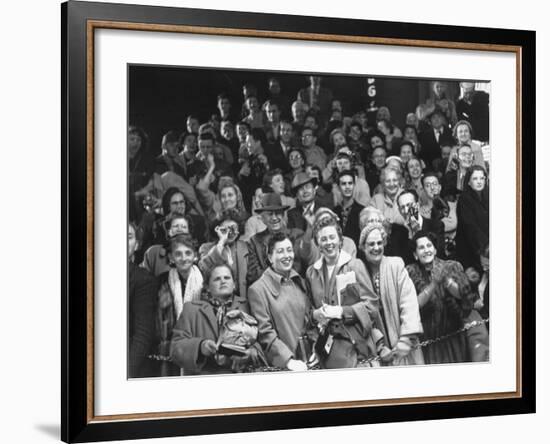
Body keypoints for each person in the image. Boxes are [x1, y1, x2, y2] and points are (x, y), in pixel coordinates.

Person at [306, 217, 387, 368]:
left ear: (340, 240)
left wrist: (341, 311)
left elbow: (372, 307)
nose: (329, 242)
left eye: (332, 237)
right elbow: (308, 313)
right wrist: (316, 315)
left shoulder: (355, 265)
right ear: (318, 244)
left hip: (357, 348)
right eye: (323, 239)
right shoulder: (312, 273)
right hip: (328, 351)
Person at [406, 231, 489, 364]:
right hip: (429, 338)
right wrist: (434, 284)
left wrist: (447, 281)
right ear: (415, 254)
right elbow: (413, 305)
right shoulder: (410, 272)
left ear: (434, 249)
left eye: (429, 246)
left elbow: (465, 298)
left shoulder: (452, 266)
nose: (426, 250)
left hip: (454, 333)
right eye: (421, 248)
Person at [170, 264, 263, 375]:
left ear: (234, 284)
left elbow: (263, 341)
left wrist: (253, 353)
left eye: (227, 278)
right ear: (207, 287)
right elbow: (175, 349)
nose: (223, 281)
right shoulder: (191, 309)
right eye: (217, 279)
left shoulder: (248, 306)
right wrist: (200, 346)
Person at [358, 222, 424, 365]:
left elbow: (409, 302)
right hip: (378, 351)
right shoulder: (360, 273)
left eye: (379, 243)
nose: (376, 248)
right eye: (371, 244)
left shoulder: (395, 265)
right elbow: (364, 313)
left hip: (404, 345)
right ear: (363, 247)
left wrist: (406, 338)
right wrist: (380, 346)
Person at [248, 233, 312, 370]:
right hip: (285, 366)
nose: (286, 255)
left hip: (310, 360)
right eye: (280, 251)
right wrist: (288, 361)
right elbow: (265, 333)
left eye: (289, 250)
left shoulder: (299, 282)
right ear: (270, 257)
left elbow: (310, 321)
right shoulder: (258, 289)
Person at [156, 235, 204, 375]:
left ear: (195, 256)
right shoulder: (160, 282)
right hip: (170, 345)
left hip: (197, 343)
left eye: (188, 253)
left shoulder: (204, 280)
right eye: (178, 254)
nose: (184, 258)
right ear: (171, 258)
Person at [247, 193, 313, 283]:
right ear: (262, 218)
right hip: (267, 291)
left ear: (283, 215)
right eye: (270, 214)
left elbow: (299, 267)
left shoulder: (296, 235)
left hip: (295, 286)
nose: (274, 218)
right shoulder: (254, 241)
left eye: (277, 213)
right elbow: (253, 275)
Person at [128, 223, 158, 378]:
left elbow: (142, 334)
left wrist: (127, 372)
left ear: (137, 245)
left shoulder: (142, 279)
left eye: (128, 237)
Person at [198, 215, 249, 299]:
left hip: (241, 298)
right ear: (218, 230)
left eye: (233, 229)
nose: (230, 233)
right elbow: (204, 266)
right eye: (225, 229)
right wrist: (221, 241)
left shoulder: (245, 247)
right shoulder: (206, 248)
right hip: (215, 297)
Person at [395, 189, 445, 264]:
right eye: (402, 207)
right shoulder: (400, 233)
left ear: (417, 206)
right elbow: (403, 261)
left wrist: (416, 230)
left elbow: (439, 254)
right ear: (399, 211)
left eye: (409, 205)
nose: (406, 210)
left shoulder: (436, 225)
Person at [456, 165, 489, 271]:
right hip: (471, 248)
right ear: (469, 182)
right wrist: (486, 246)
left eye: (482, 178)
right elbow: (470, 226)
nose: (479, 181)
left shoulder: (490, 195)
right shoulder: (464, 199)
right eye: (475, 178)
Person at [141, 212, 192, 277]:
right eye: (176, 226)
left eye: (183, 226)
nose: (180, 230)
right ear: (168, 231)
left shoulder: (196, 255)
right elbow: (142, 280)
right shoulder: (153, 253)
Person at [333, 170, 365, 246]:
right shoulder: (334, 212)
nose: (347, 187)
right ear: (338, 187)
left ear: (354, 185)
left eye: (350, 183)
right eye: (344, 184)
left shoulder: (362, 211)